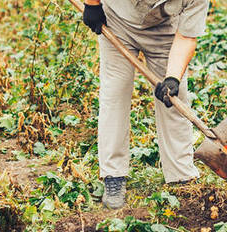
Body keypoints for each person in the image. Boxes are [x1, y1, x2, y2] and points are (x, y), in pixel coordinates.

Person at [82, 0, 209, 209]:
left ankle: (181, 176)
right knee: (115, 93)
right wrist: (92, 4)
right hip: (118, 19)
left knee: (174, 102)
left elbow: (186, 36)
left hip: (165, 31)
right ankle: (114, 176)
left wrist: (172, 78)